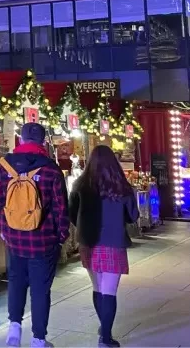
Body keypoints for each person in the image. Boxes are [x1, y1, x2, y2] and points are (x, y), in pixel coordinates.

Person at [0, 123, 69, 348]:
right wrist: (61, 236)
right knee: (40, 290)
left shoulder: (4, 166)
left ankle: (14, 327)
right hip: (44, 242)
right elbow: (61, 208)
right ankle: (38, 339)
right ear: (43, 142)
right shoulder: (51, 169)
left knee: (16, 281)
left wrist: (3, 229)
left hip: (14, 240)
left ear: (21, 139)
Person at [68, 146, 139, 348]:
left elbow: (72, 214)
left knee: (97, 287)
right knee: (109, 291)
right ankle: (105, 338)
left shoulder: (80, 185)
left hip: (88, 242)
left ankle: (104, 327)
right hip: (113, 241)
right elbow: (133, 216)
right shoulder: (121, 186)